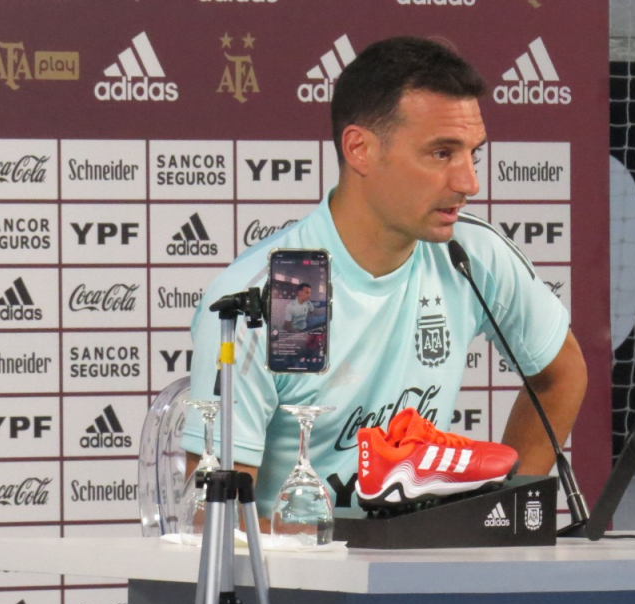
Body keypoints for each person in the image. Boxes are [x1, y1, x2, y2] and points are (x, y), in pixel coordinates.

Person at [182, 36, 587, 521]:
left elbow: (561, 374)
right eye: (441, 153)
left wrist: (501, 512)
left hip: (422, 573)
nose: (468, 183)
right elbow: (215, 519)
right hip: (299, 588)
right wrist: (345, 553)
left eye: (471, 154)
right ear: (360, 150)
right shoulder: (282, 290)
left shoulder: (470, 252)